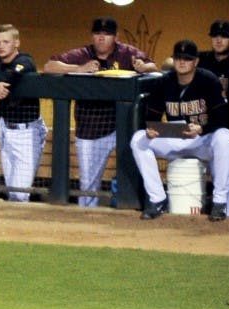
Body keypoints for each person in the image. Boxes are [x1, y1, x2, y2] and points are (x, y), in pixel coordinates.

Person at [44, 17, 158, 207]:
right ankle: (87, 225)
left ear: (115, 37)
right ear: (92, 36)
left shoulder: (126, 53)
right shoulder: (83, 54)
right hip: (91, 130)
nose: (101, 38)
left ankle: (137, 211)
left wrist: (143, 67)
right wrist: (80, 68)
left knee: (134, 173)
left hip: (122, 130)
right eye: (97, 34)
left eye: (107, 34)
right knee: (88, 186)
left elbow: (153, 66)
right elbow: (49, 66)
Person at [129, 40, 229, 221]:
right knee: (138, 139)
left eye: (187, 59)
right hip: (175, 138)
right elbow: (152, 116)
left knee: (224, 137)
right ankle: (158, 199)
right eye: (178, 58)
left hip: (203, 141)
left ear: (196, 62)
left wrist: (202, 128)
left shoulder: (208, 80)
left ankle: (219, 202)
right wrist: (151, 129)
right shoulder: (163, 82)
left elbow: (222, 118)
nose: (182, 62)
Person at [0, 24, 47, 203]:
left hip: (27, 131)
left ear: (16, 43)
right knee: (13, 190)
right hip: (6, 127)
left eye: (6, 42)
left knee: (20, 192)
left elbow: (7, 81)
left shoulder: (25, 61)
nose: (0, 46)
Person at [197, 20, 229, 217]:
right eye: (215, 36)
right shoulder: (202, 59)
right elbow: (169, 63)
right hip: (207, 122)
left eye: (224, 36)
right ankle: (215, 207)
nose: (219, 40)